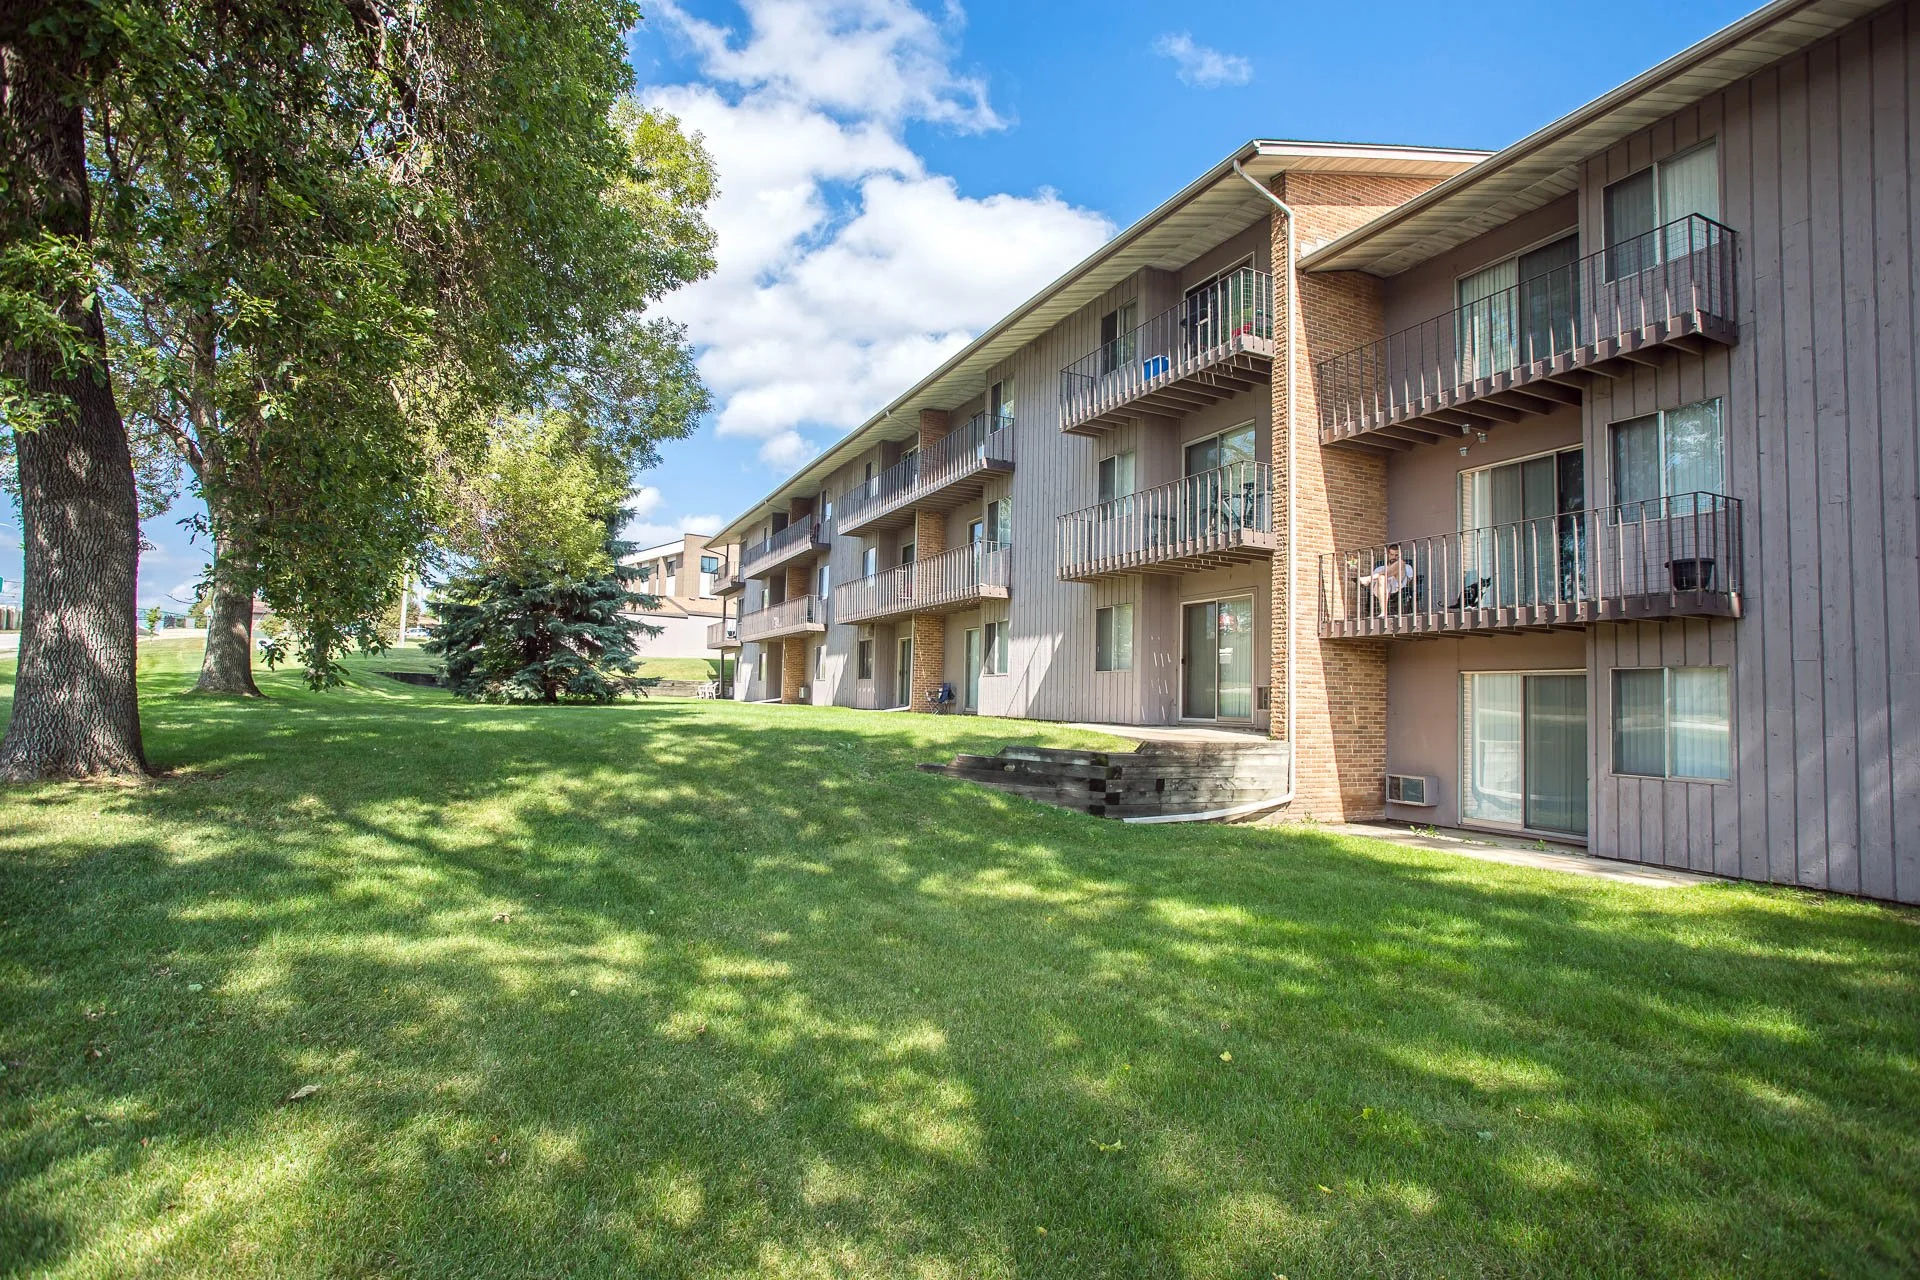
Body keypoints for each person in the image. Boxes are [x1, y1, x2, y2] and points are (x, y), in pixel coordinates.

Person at [1360, 544, 1415, 616]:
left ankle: (1369, 578)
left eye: (1396, 555)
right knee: (1382, 577)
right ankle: (1383, 612)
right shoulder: (1379, 568)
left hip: (1398, 588)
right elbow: (1373, 586)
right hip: (1381, 591)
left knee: (1400, 563)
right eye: (1392, 555)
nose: (1394, 557)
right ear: (1388, 555)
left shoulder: (1407, 566)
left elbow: (1410, 580)